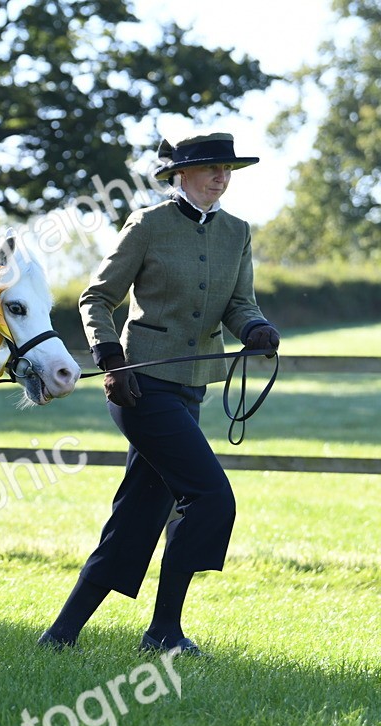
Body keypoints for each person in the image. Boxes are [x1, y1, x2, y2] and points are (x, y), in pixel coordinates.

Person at [39, 132, 281, 656]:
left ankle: (60, 636)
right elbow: (96, 297)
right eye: (213, 168)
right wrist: (110, 359)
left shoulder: (237, 232)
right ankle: (164, 632)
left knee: (139, 513)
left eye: (228, 169)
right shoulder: (148, 225)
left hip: (191, 393)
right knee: (210, 496)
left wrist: (256, 328)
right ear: (182, 175)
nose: (223, 177)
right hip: (139, 388)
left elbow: (240, 303)